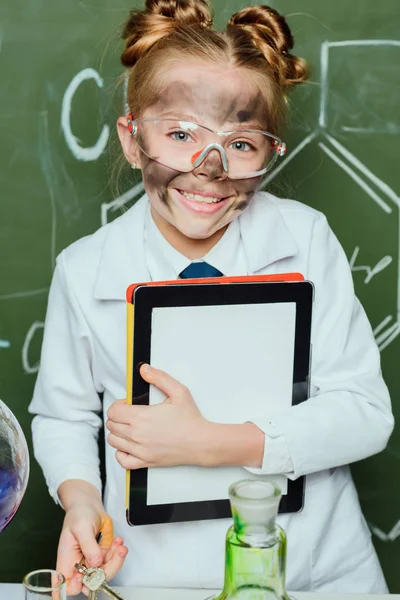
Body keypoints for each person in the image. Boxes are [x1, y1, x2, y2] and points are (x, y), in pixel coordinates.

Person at [29, 0, 394, 595]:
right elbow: (64, 415)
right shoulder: (85, 268)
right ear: (131, 138)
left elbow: (365, 413)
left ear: (269, 152)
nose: (209, 169)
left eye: (242, 144)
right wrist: (79, 498)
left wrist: (210, 443)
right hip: (154, 574)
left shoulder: (305, 239)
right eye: (179, 135)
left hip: (315, 570)